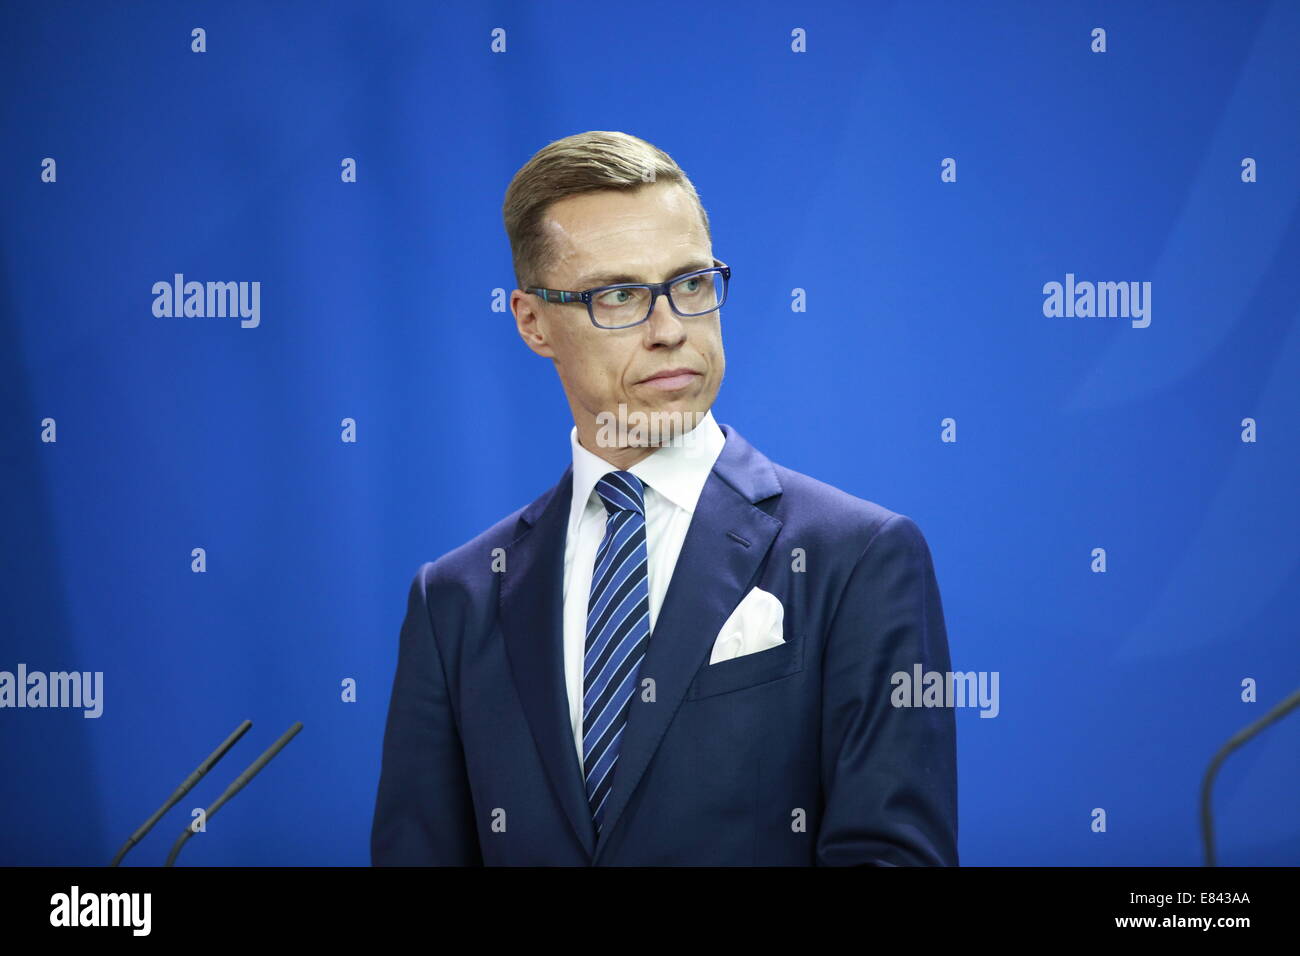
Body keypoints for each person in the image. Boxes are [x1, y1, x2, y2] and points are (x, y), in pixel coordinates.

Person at [371, 130, 958, 865]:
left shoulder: (859, 557)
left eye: (690, 284)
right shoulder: (453, 599)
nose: (670, 330)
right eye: (619, 295)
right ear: (531, 321)